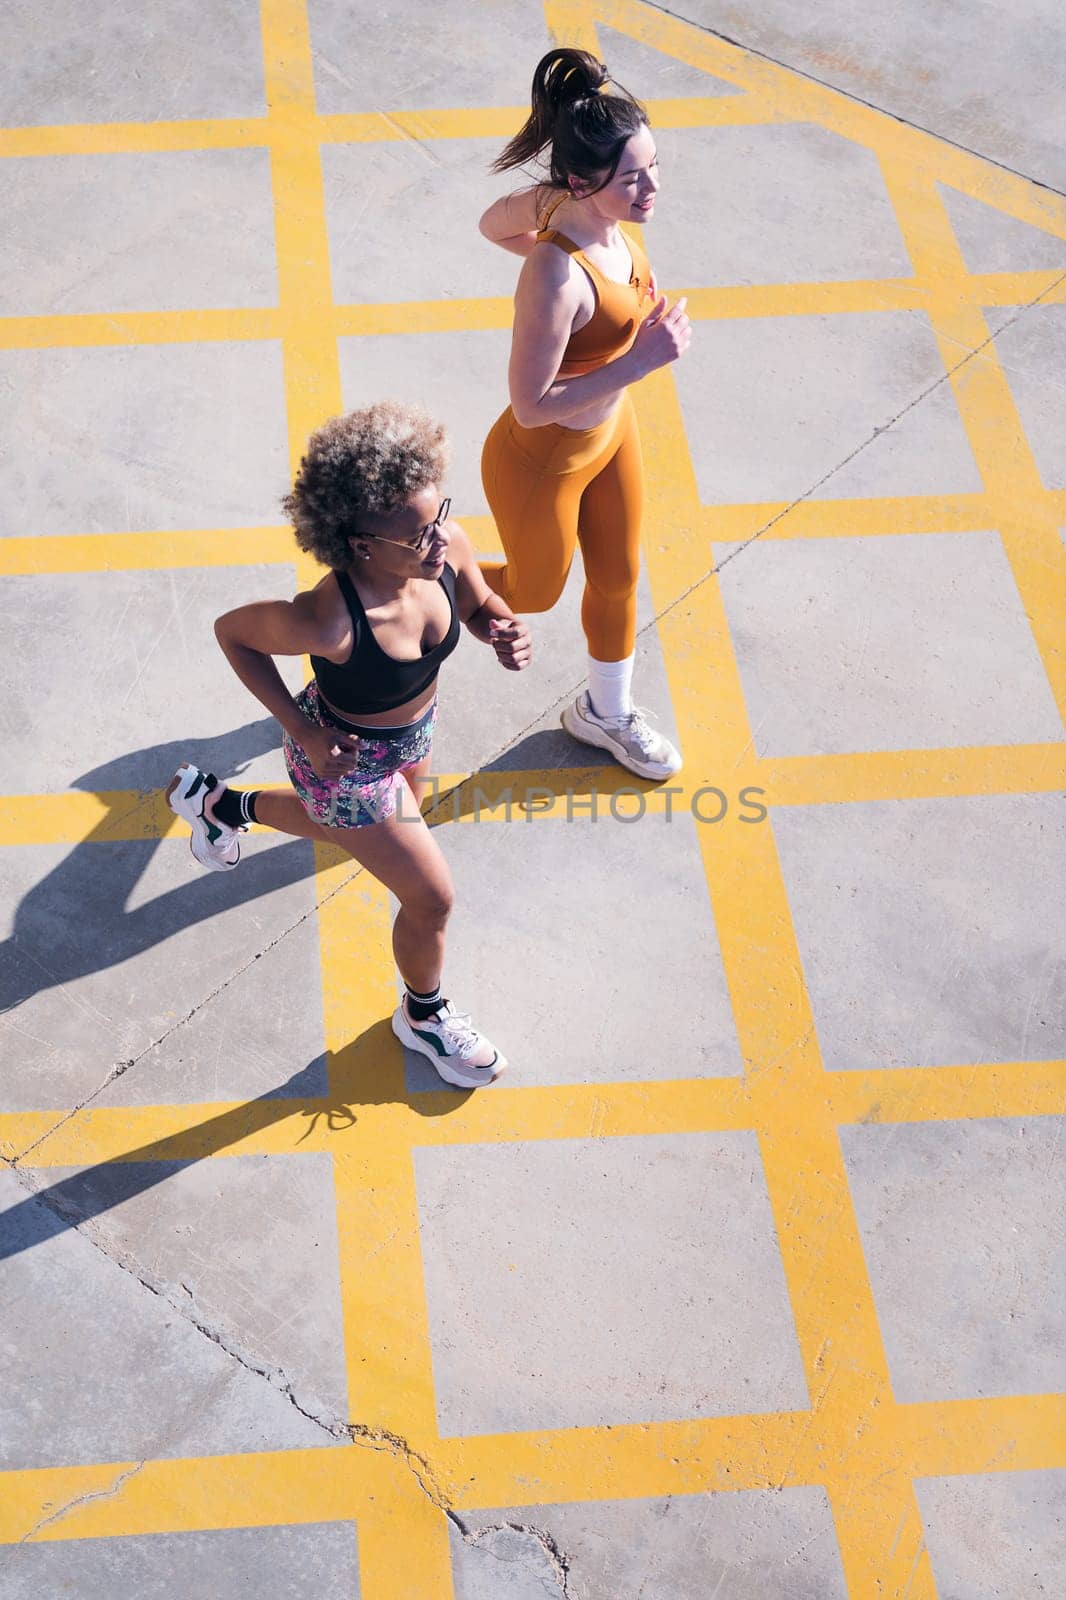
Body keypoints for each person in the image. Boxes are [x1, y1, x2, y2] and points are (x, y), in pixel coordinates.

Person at [165, 401, 531, 1088]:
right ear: (361, 544)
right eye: (419, 535)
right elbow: (232, 633)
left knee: (360, 836)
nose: (440, 542)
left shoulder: (443, 549)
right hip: (344, 763)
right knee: (431, 899)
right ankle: (424, 1016)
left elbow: (482, 607)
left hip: (412, 737)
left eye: (440, 518)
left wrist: (504, 631)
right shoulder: (330, 618)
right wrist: (300, 728)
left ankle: (221, 807)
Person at [478, 47, 691, 781]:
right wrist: (642, 358)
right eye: (633, 178)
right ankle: (400, 587)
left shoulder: (573, 214)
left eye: (653, 166)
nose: (651, 187)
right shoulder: (553, 273)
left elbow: (492, 223)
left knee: (619, 576)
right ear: (581, 180)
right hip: (544, 461)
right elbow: (531, 408)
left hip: (609, 433)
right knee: (529, 593)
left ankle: (604, 713)